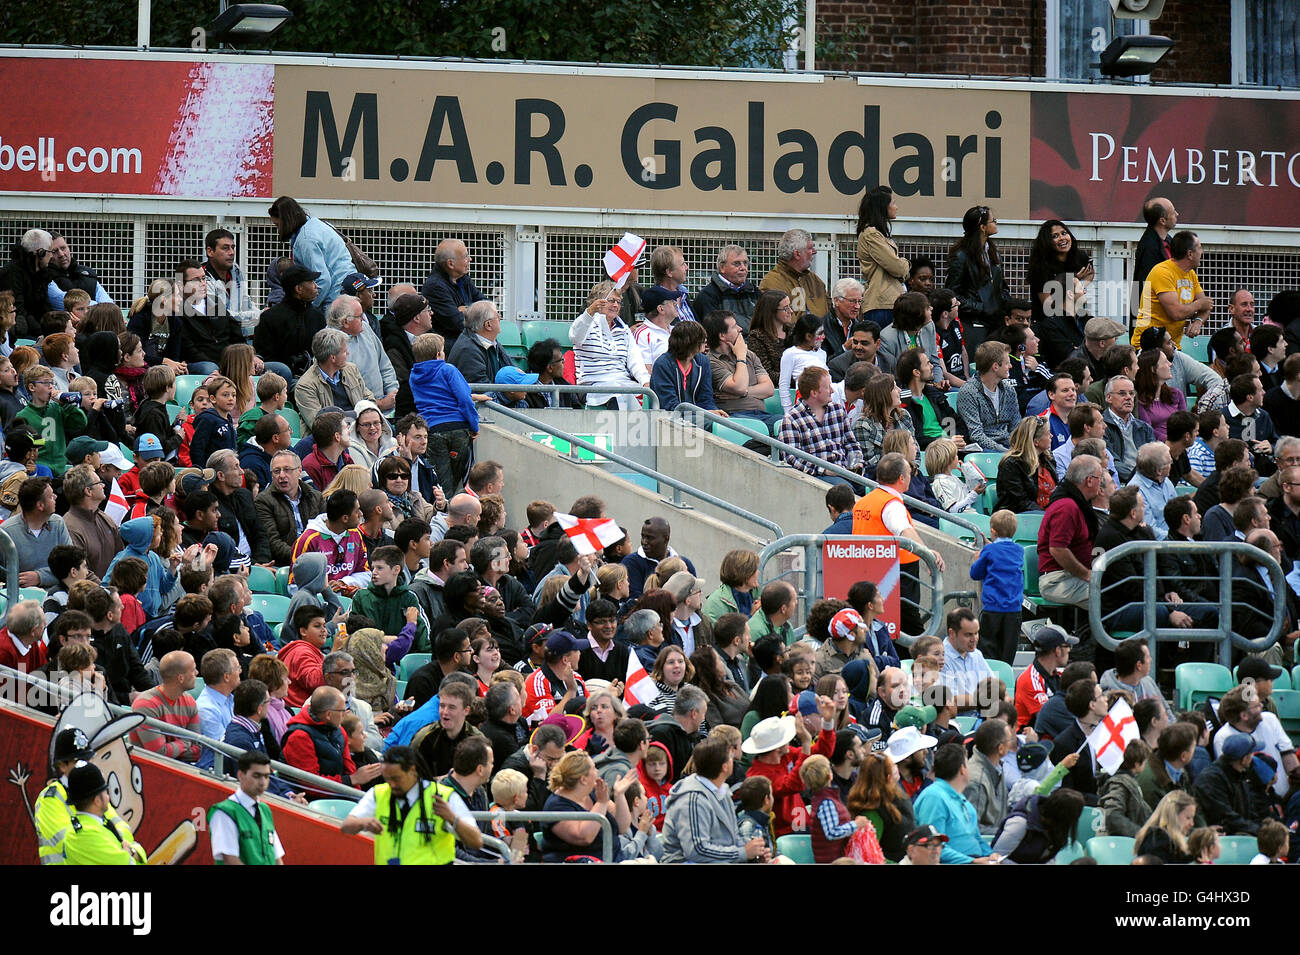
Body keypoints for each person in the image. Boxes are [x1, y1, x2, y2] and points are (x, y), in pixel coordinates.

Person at [342, 744, 483, 864]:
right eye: (387, 778)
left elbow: (476, 841)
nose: (391, 784)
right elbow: (346, 827)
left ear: (412, 771)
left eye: (396, 778)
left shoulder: (443, 796)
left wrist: (453, 818)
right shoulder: (378, 794)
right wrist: (363, 823)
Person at [912, 743, 1000, 864]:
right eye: (968, 763)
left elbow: (976, 839)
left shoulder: (961, 799)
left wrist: (991, 855)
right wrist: (972, 861)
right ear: (962, 769)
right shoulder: (933, 797)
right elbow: (933, 847)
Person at [539, 750, 631, 863]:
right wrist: (601, 803)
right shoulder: (556, 805)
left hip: (616, 859)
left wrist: (619, 795)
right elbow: (584, 837)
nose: (597, 772)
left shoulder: (593, 794)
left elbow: (622, 827)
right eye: (593, 768)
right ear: (583, 779)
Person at [778, 365, 864, 480]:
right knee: (845, 490)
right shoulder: (791, 420)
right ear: (814, 393)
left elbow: (851, 444)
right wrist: (824, 470)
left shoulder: (838, 409)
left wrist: (856, 463)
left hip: (846, 471)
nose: (832, 390)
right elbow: (792, 459)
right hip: (818, 477)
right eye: (828, 387)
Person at [1133, 230, 1214, 348]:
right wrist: (1198, 305)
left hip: (1172, 346)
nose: (1202, 252)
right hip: (1148, 347)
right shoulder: (1162, 272)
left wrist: (1198, 321)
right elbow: (1176, 313)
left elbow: (1207, 305)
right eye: (1200, 248)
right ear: (1190, 254)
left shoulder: (1190, 274)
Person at [1029, 219, 1094, 363]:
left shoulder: (1079, 256)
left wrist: (1081, 284)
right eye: (1055, 236)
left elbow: (1090, 273)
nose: (1062, 238)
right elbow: (1047, 304)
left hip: (1073, 315)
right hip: (1048, 320)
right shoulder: (1041, 266)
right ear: (1047, 242)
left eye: (1064, 233)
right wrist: (1072, 283)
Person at [206, 751, 285, 865]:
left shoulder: (265, 809)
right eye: (256, 776)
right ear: (241, 775)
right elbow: (230, 860)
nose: (262, 782)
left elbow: (277, 857)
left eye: (266, 776)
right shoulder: (224, 812)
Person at [946, 206, 1011, 345]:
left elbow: (1002, 285)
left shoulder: (993, 252)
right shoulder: (961, 256)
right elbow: (952, 294)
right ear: (982, 227)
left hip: (996, 323)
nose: (996, 223)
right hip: (973, 324)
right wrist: (981, 307)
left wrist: (1002, 303)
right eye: (993, 221)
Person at [60, 763, 146, 865]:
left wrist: (130, 852)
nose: (108, 797)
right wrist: (132, 852)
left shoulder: (96, 825)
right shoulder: (85, 834)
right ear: (97, 801)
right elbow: (128, 863)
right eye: (105, 792)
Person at [970, 510, 1026, 666]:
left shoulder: (989, 551)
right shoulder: (1019, 550)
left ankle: (990, 685)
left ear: (993, 531)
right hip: (1014, 611)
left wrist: (977, 559)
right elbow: (1002, 553)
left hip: (992, 610)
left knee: (988, 652)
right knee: (1007, 653)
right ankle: (1005, 681)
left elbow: (976, 573)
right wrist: (990, 545)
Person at [855, 185, 909, 326]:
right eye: (893, 203)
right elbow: (897, 268)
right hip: (882, 305)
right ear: (882, 207)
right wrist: (906, 263)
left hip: (887, 304)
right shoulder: (872, 234)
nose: (896, 207)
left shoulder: (877, 234)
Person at [1049, 679, 1110, 797]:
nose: (1106, 699)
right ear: (1092, 705)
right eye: (1102, 695)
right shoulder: (1065, 743)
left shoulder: (1104, 733)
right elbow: (1066, 792)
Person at [955, 341, 1020, 451]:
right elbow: (976, 435)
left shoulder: (1009, 390)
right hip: (983, 449)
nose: (1010, 366)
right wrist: (1004, 451)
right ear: (995, 366)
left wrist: (1018, 447)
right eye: (1007, 363)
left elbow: (1016, 427)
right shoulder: (968, 392)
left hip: (1009, 445)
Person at [420, 238, 485, 347]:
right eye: (465, 257)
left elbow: (486, 304)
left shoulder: (463, 279)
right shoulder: (435, 287)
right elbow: (457, 323)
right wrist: (476, 312)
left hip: (468, 342)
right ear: (450, 264)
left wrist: (466, 309)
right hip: (450, 348)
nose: (470, 259)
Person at [650, 319, 719, 414]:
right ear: (690, 342)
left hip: (699, 417)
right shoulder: (663, 364)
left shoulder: (703, 361)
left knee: (723, 425)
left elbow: (706, 398)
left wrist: (715, 413)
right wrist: (706, 414)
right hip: (669, 419)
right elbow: (669, 405)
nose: (705, 341)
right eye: (701, 340)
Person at [759, 228, 828, 321]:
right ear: (797, 254)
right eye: (810, 248)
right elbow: (777, 323)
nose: (815, 251)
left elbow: (830, 314)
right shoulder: (772, 283)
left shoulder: (815, 281)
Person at [995, 416, 1057, 513]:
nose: (1051, 436)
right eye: (1048, 433)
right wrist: (1046, 515)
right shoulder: (1011, 464)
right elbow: (1020, 502)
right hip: (1021, 518)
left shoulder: (1048, 459)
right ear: (1036, 441)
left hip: (1047, 514)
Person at [1133, 790, 1198, 863]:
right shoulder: (1157, 839)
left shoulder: (1168, 840)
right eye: (1188, 817)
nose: (1192, 824)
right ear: (1173, 816)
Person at [822, 278, 866, 360]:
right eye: (852, 301)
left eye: (859, 301)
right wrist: (844, 349)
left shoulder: (860, 327)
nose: (857, 306)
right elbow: (822, 365)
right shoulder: (822, 328)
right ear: (836, 301)